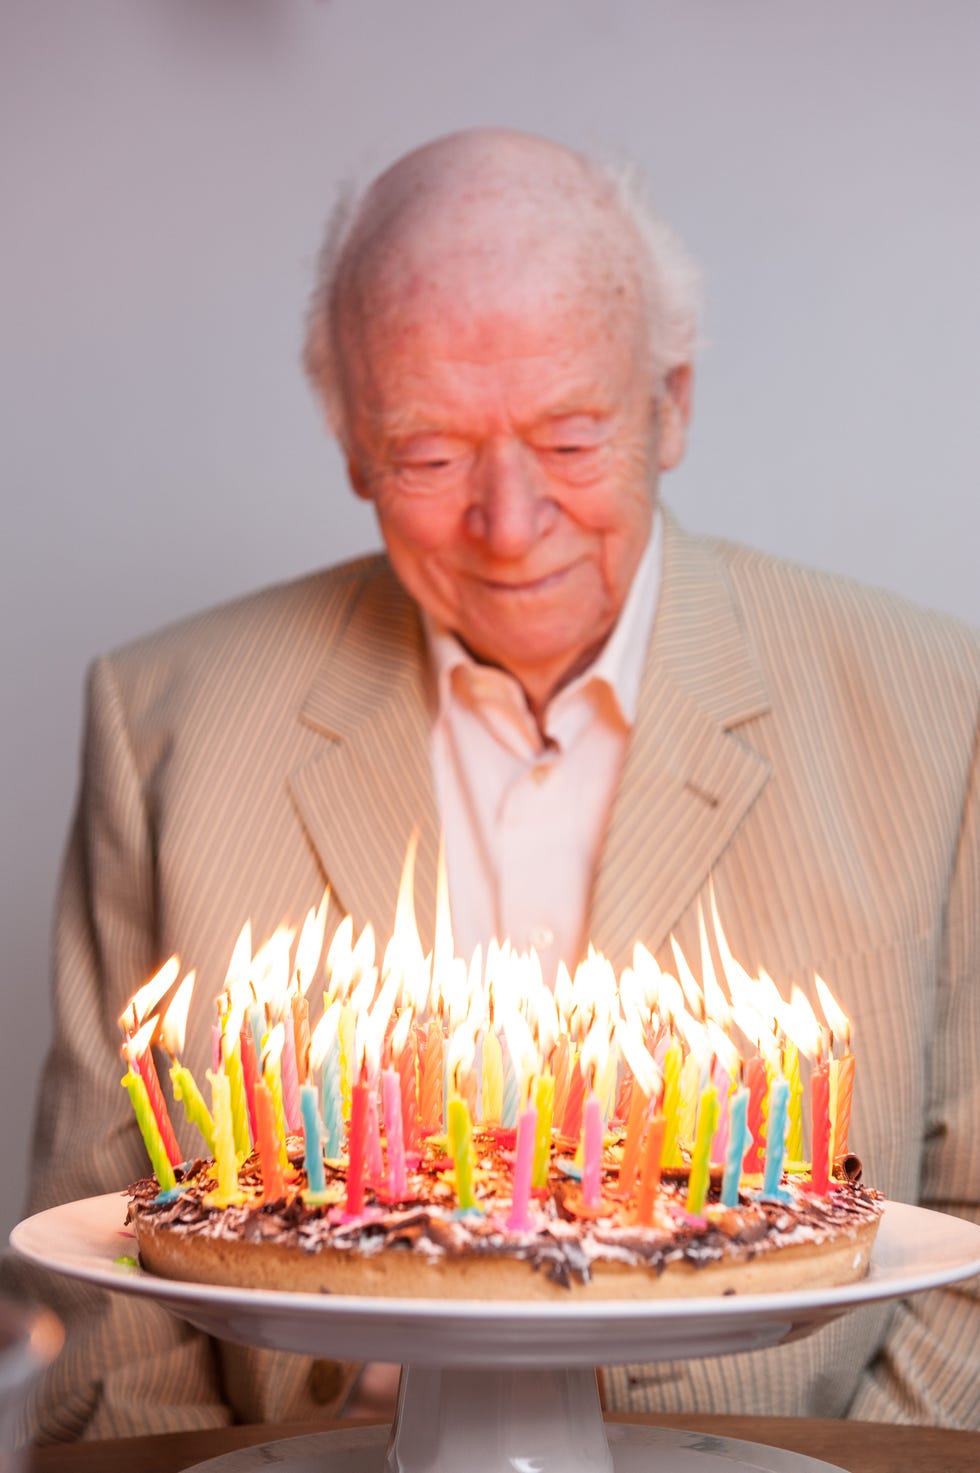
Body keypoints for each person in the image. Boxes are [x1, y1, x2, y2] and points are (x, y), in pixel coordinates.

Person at [5, 128, 978, 1442]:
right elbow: (97, 1269)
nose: (510, 522)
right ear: (351, 445)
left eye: (572, 439)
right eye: (428, 453)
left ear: (671, 404)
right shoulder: (163, 720)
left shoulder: (934, 706)